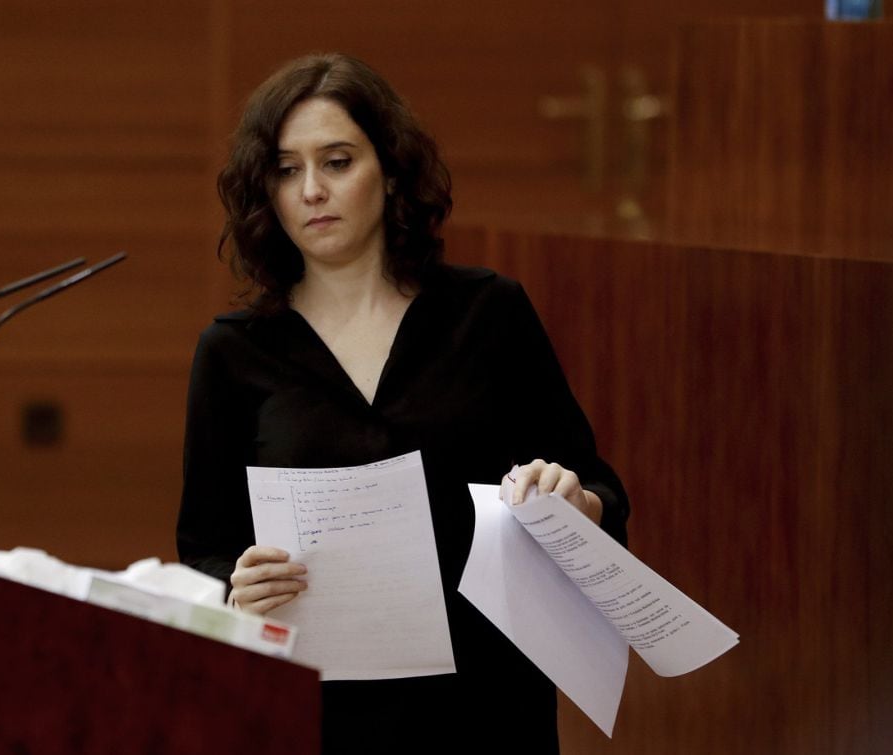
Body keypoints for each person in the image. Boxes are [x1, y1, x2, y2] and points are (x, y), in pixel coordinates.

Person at [177, 52, 628, 754]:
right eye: (287, 170)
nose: (312, 190)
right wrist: (237, 589)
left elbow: (598, 488)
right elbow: (203, 550)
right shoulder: (233, 352)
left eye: (337, 162)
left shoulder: (488, 313)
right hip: (317, 711)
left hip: (487, 704)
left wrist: (578, 500)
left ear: (389, 172)